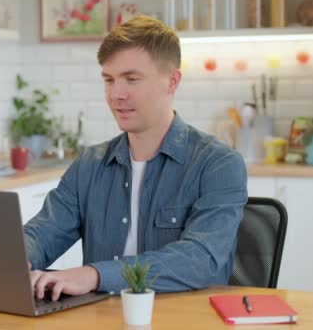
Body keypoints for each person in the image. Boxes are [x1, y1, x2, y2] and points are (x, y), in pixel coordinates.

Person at [24, 15, 248, 301]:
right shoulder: (89, 165)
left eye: (131, 79)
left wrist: (95, 275)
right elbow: (44, 231)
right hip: (105, 318)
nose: (116, 94)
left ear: (172, 81)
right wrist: (16, 256)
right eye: (109, 79)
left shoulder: (218, 164)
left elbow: (200, 259)